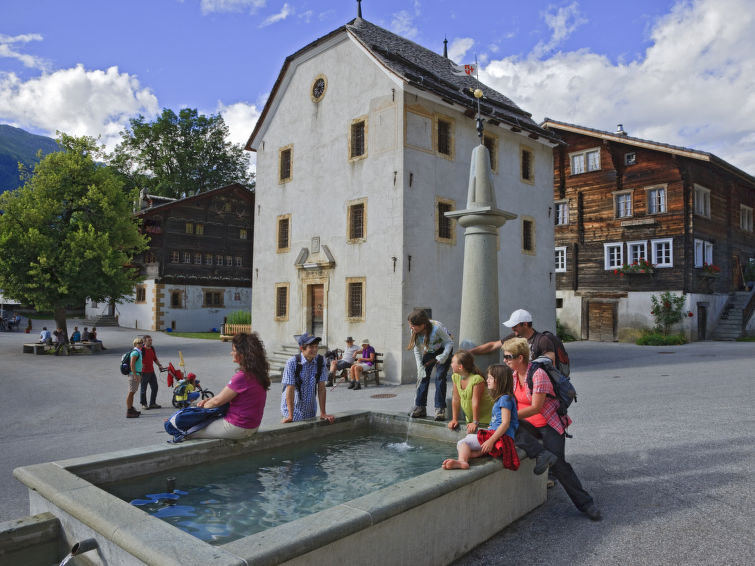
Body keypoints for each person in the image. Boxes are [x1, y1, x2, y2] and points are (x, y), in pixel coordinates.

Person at [504, 336, 602, 521]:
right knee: (507, 425)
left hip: (548, 423)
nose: (505, 360)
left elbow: (536, 408)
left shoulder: (538, 374)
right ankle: (542, 454)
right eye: (505, 356)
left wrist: (511, 416)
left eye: (508, 356)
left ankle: (586, 504)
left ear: (520, 358)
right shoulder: (513, 376)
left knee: (559, 465)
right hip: (527, 424)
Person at [192, 333, 270, 439]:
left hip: (237, 427)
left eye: (234, 350)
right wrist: (208, 401)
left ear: (242, 354)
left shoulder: (242, 377)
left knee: (189, 431)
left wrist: (199, 408)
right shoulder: (258, 374)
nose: (231, 353)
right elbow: (225, 397)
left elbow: (217, 401)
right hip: (252, 426)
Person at [442, 363, 519, 470]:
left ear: (499, 381)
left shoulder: (505, 399)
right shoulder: (504, 398)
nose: (487, 380)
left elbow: (505, 423)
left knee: (463, 442)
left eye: (490, 378)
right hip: (498, 436)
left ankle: (462, 462)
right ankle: (476, 454)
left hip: (500, 438)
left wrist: (491, 440)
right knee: (469, 442)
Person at [406, 309, 453, 420]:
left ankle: (440, 409)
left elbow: (449, 342)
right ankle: (420, 407)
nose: (411, 328)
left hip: (444, 349)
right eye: (410, 325)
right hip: (430, 350)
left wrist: (444, 356)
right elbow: (417, 350)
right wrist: (419, 366)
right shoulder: (414, 331)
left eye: (413, 325)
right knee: (423, 376)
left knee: (440, 377)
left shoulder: (437, 328)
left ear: (422, 324)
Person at [280, 332, 335, 423]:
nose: (315, 350)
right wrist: (290, 416)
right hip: (291, 411)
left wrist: (323, 413)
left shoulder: (320, 361)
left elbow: (321, 388)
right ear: (302, 348)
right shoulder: (292, 362)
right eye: (311, 347)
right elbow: (290, 389)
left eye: (316, 346)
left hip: (310, 411)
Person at [468, 309, 555, 363]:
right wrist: (468, 352)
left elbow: (551, 365)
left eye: (515, 326)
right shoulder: (515, 337)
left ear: (525, 324)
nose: (512, 328)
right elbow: (493, 346)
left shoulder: (543, 340)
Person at [447, 351, 495, 434]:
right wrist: (454, 419)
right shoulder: (456, 377)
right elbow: (456, 398)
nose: (451, 364)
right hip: (471, 419)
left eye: (452, 362)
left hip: (487, 420)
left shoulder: (476, 379)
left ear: (460, 367)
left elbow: (475, 401)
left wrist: (475, 422)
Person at [139, 335, 164, 410]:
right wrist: (140, 365)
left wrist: (159, 365)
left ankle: (152, 403)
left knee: (155, 387)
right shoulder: (141, 349)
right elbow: (136, 360)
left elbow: (154, 358)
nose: (150, 342)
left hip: (151, 371)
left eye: (151, 340)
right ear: (144, 341)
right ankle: (144, 404)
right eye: (149, 340)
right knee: (143, 389)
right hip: (143, 373)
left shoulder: (152, 348)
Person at [126, 337, 144, 419]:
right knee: (131, 392)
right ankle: (129, 411)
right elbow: (132, 364)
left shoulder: (138, 352)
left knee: (132, 392)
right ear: (135, 344)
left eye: (142, 343)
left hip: (137, 374)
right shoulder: (135, 352)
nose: (141, 344)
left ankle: (131, 409)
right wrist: (135, 375)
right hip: (134, 374)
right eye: (139, 343)